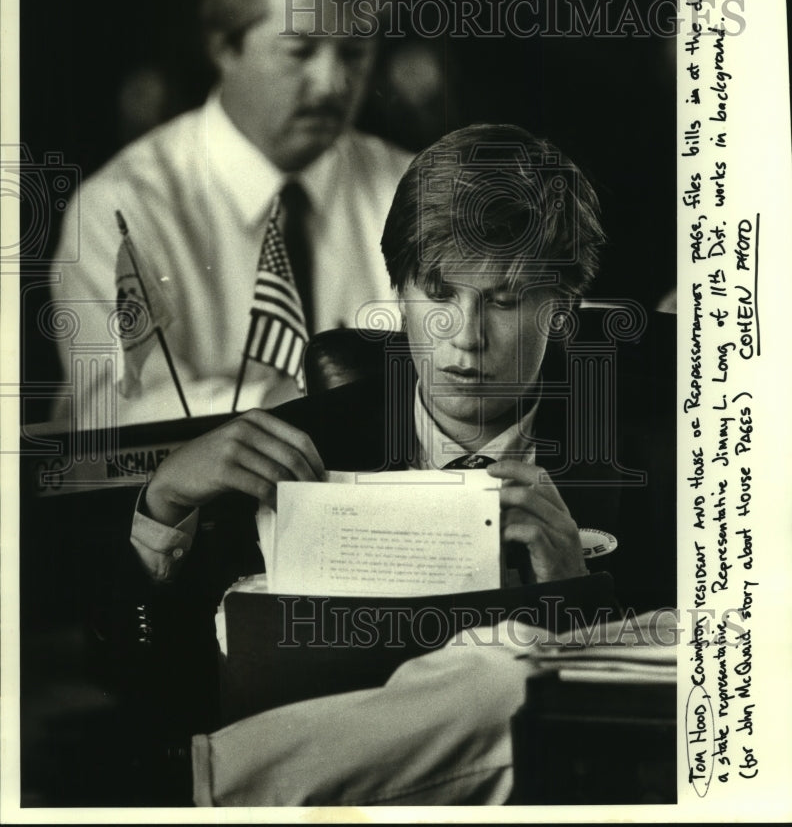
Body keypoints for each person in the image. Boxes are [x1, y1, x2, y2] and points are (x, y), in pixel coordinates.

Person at [101, 124, 674, 804]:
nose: (465, 335)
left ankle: (212, 791)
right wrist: (162, 504)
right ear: (398, 293)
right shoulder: (297, 442)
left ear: (562, 314)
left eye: (507, 299)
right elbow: (138, 680)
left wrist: (573, 593)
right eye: (438, 292)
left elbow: (649, 726)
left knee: (507, 673)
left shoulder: (657, 469)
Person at [50, 0, 412, 427]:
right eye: (300, 51)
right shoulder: (121, 211)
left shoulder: (414, 189)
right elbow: (112, 413)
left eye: (355, 53)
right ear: (224, 46)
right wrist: (293, 408)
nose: (334, 82)